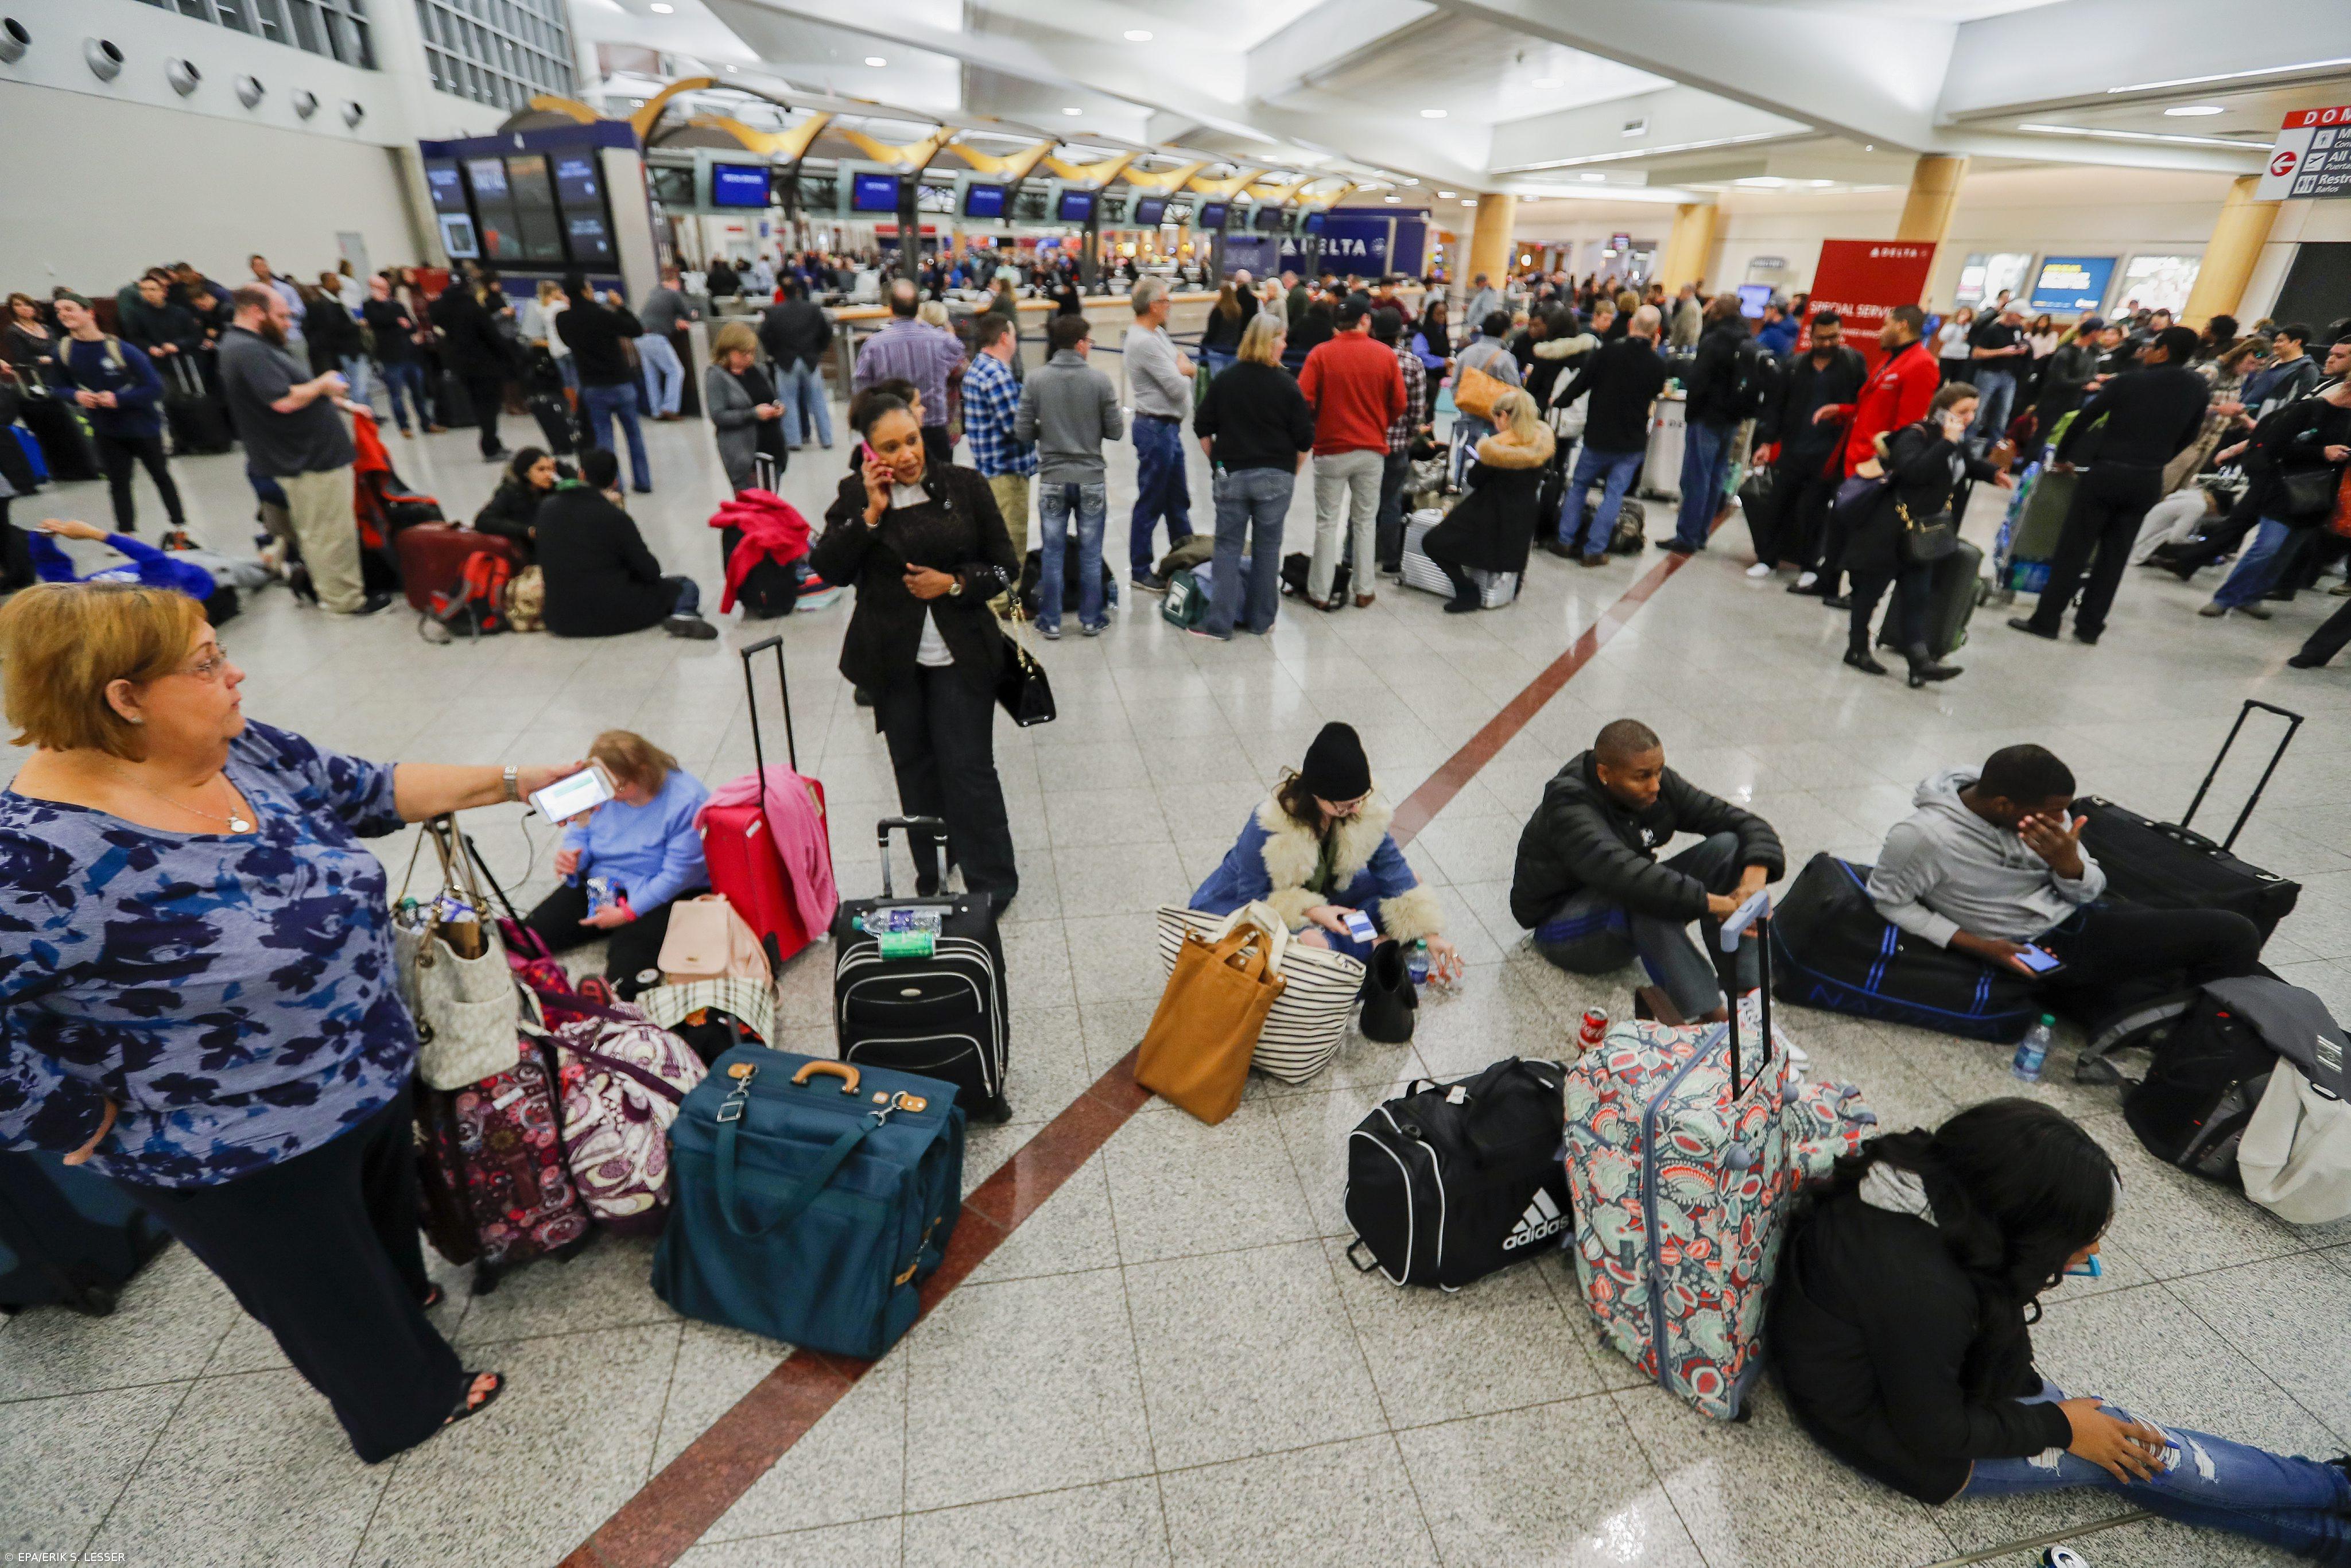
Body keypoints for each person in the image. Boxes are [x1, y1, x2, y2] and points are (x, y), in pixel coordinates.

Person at [0, 583, 592, 1460]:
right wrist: (68, 1117)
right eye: (206, 663)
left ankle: (402, 1295)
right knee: (327, 1297)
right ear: (124, 697)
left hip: (367, 1071)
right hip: (237, 1147)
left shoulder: (233, 745)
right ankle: (410, 1405)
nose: (234, 673)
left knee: (379, 1234)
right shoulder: (34, 862)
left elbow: (370, 789)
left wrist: (511, 783)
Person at [1771, 1098, 2351, 1562]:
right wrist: (2063, 1427)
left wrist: (2066, 1424)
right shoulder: (1921, 1287)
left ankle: (2332, 1524)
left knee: (2124, 1447)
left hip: (1906, 1382)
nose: (2092, 1250)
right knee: (2129, 1448)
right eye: (2082, 1234)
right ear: (2023, 1217)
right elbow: (1935, 1431)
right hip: (1892, 1435)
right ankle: (2336, 1491)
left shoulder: (1933, 1182)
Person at [809, 393, 1019, 907]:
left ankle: (992, 880)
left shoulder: (964, 485)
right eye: (890, 447)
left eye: (912, 440)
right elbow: (830, 568)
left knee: (968, 767)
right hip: (892, 660)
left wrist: (953, 583)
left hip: (961, 654)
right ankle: (934, 870)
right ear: (869, 451)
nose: (906, 455)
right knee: (914, 768)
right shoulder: (854, 495)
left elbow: (1004, 567)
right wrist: (871, 514)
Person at [1871, 743, 2261, 993]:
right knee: (2234, 933)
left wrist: (2069, 866)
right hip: (2041, 942)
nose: (2062, 819)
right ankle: (2198, 1050)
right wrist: (1981, 946)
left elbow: (2090, 889)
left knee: (2214, 942)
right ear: (2004, 805)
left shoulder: (2016, 801)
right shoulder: (1924, 837)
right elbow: (1890, 902)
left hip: (2082, 912)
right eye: (2054, 811)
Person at [1509, 717, 1783, 1023]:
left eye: (1659, 772)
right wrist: (1726, 906)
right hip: (1561, 929)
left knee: (1729, 847)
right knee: (1647, 895)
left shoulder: (1657, 785)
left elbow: (1746, 824)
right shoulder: (1569, 804)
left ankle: (1747, 997)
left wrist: (1752, 887)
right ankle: (1712, 1021)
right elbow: (1628, 877)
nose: (1655, 786)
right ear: (1604, 774)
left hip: (1622, 896)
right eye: (1642, 777)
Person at [1189, 721, 1463, 976]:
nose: (1355, 810)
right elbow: (1256, 900)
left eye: (1360, 800)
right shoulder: (1268, 826)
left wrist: (1430, 934)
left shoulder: (1360, 811)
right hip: (1245, 905)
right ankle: (1370, 945)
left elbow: (1392, 868)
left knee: (1411, 881)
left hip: (1320, 893)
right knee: (1313, 943)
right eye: (1344, 805)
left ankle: (1354, 939)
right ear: (1317, 795)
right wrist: (1312, 911)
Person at [2009, 326, 2209, 646]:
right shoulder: (2198, 387)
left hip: (2107, 473)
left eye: (2152, 347)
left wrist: (2063, 456)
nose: (2146, 352)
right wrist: (2159, 457)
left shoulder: (2129, 381)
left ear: (2164, 351)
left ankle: (2046, 620)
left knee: (2074, 550)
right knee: (2114, 558)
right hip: (2147, 478)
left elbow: (2083, 418)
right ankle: (2090, 627)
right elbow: (2190, 435)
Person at [215, 285, 390, 617]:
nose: (288, 323)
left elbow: (291, 391)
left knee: (319, 530)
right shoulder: (248, 350)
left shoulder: (252, 346)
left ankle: (331, 590)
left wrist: (341, 403)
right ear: (257, 312)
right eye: (282, 316)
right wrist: (324, 384)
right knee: (329, 532)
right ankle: (344, 599)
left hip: (305, 454)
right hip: (305, 458)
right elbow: (282, 400)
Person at [1840, 383, 2009, 686]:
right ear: (1942, 411)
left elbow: (1962, 466)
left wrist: (1990, 473)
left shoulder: (1954, 441)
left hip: (1923, 534)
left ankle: (1919, 662)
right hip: (1891, 530)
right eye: (1963, 411)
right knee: (1870, 593)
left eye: (1973, 411)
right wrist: (1947, 442)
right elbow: (1914, 471)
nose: (1970, 418)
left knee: (1917, 597)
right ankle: (1856, 648)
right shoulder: (1915, 435)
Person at [523, 731, 710, 982]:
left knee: (628, 969)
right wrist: (574, 858)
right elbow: (580, 832)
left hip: (662, 890)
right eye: (604, 786)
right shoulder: (599, 786)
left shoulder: (687, 801)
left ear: (644, 772)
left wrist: (628, 913)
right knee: (528, 936)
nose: (610, 795)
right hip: (605, 880)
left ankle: (614, 990)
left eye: (619, 786)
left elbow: (678, 876)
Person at [1799, 304, 1941, 603]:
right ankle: (1827, 580)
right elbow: (1871, 408)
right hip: (1853, 457)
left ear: (1902, 326)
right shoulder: (1890, 360)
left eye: (1886, 324)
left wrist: (1886, 464)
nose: (1881, 331)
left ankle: (1859, 595)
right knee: (1839, 522)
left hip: (1874, 463)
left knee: (1863, 532)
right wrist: (1841, 410)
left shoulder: (1921, 364)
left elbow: (1909, 427)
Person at [1192, 313, 1314, 641]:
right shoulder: (1287, 385)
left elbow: (1202, 428)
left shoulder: (1226, 380)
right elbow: (1305, 439)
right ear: (1269, 343)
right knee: (1267, 548)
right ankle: (1262, 620)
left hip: (1230, 475)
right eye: (1281, 339)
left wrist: (1218, 466)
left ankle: (1219, 624)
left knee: (1227, 548)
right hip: (1276, 478)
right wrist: (1290, 472)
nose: (1285, 345)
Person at [2197, 372, 2351, 621]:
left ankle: (2252, 597)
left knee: (2284, 556)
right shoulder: (2309, 410)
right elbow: (2274, 447)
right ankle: (2225, 598)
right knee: (2266, 548)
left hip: (2321, 498)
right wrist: (2321, 452)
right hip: (2286, 492)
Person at [1014, 314, 1123, 639]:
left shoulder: (1035, 380)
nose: (1090, 346)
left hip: (1052, 477)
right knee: (1090, 552)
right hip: (1091, 477)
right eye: (1088, 341)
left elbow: (1022, 432)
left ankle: (1050, 620)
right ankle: (1091, 618)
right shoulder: (1100, 381)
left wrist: (1047, 431)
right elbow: (1116, 431)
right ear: (1079, 344)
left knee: (1052, 552)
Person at [46, 294, 188, 537]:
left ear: (89, 312)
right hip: (106, 429)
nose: (63, 315)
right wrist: (75, 395)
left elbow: (155, 387)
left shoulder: (122, 349)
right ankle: (126, 535)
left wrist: (119, 399)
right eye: (59, 311)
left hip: (143, 427)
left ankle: (180, 527)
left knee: (161, 476)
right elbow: (56, 387)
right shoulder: (64, 351)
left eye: (69, 309)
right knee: (118, 483)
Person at [1298, 297, 1406, 610]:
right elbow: (1399, 402)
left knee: (1326, 522)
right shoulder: (1385, 355)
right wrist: (1379, 423)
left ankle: (1320, 593)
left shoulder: (1321, 354)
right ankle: (1364, 590)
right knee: (1365, 520)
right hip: (1371, 449)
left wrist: (1321, 421)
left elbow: (1303, 398)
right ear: (1366, 321)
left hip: (1331, 449)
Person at [536, 449, 711, 639]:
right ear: (615, 482)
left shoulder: (547, 508)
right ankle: (684, 614)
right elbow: (649, 570)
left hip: (561, 619)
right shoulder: (613, 516)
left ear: (582, 475)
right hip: (613, 616)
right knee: (684, 585)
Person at [1550, 304, 1667, 564]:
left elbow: (1581, 383)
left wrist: (1560, 401)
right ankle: (1595, 551)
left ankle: (1565, 541)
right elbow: (1655, 391)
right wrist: (1653, 350)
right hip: (1631, 441)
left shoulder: (1606, 353)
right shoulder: (1657, 365)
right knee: (1613, 495)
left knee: (1579, 486)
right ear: (1656, 332)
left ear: (1631, 324)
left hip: (1598, 435)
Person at [1751, 310, 1864, 575]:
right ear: (1811, 337)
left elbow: (1861, 404)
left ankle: (1809, 566)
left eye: (1833, 337)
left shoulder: (1852, 365)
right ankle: (1767, 559)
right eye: (1822, 338)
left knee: (1815, 511)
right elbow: (1777, 406)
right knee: (1778, 505)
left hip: (1828, 452)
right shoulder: (1795, 366)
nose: (1828, 343)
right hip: (1794, 448)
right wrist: (1767, 443)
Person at [1421, 387, 1551, 614]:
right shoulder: (1540, 442)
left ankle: (1467, 591)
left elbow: (1475, 479)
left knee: (1432, 542)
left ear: (1505, 416)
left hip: (1489, 513)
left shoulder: (1497, 450)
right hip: (1522, 516)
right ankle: (1510, 587)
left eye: (1496, 417)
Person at [1125, 277, 1197, 592]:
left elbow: (1182, 364)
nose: (1170, 306)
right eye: (1166, 301)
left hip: (1168, 429)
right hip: (1155, 429)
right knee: (1152, 500)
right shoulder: (1144, 342)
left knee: (1177, 499)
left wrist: (1183, 366)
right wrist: (1185, 369)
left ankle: (1186, 559)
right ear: (1153, 305)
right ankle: (1140, 569)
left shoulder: (1158, 335)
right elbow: (1178, 386)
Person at [1663, 296, 1752, 553]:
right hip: (1732, 419)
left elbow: (1699, 381)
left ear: (1717, 312)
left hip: (1707, 417)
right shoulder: (1746, 341)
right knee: (1716, 477)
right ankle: (1701, 533)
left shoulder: (1713, 341)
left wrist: (1691, 412)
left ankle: (1687, 536)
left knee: (1696, 478)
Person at [854, 279, 967, 470]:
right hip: (935, 428)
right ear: (918, 307)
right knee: (940, 482)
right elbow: (961, 363)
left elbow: (861, 390)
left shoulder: (873, 346)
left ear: (891, 308)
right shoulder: (942, 341)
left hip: (891, 430)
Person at [960, 313, 1034, 595]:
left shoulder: (978, 367)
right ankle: (1007, 603)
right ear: (1004, 338)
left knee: (996, 540)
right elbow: (1017, 428)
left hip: (988, 469)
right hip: (1007, 473)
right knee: (1012, 541)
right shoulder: (997, 375)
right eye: (1014, 335)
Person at [556, 275, 652, 494]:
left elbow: (567, 342)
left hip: (592, 387)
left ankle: (612, 484)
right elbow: (636, 330)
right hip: (621, 383)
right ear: (584, 291)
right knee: (634, 434)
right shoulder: (604, 315)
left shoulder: (563, 319)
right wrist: (621, 307)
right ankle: (643, 481)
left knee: (604, 439)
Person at [1371, 306, 1430, 572]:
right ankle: (1391, 560)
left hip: (1366, 443)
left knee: (1362, 502)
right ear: (1400, 333)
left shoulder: (1366, 358)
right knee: (1391, 502)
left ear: (1374, 330)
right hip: (1396, 446)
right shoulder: (1413, 364)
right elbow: (1416, 411)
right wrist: (1409, 437)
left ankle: (1351, 556)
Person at [428, 276, 511, 463]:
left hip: (461, 366)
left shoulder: (441, 310)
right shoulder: (473, 308)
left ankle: (492, 443)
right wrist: (507, 356)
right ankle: (491, 447)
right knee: (490, 406)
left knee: (478, 405)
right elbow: (492, 336)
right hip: (484, 365)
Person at [704, 322, 789, 495]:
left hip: (773, 451)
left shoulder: (759, 371)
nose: (749, 358)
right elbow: (718, 416)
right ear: (728, 351)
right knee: (752, 507)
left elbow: (771, 397)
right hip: (745, 458)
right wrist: (753, 414)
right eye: (744, 354)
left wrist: (778, 408)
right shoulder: (717, 377)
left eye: (752, 352)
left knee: (772, 505)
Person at [758, 278, 836, 451]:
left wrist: (774, 353)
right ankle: (826, 439)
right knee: (818, 400)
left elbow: (763, 334)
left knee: (788, 401)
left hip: (786, 361)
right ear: (799, 292)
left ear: (782, 293)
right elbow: (827, 332)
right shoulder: (813, 309)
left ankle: (793, 441)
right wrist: (819, 350)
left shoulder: (774, 312)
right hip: (810, 360)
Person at [1450, 310, 1522, 488]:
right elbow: (1515, 391)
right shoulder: (1505, 358)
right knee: (1490, 461)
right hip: (1494, 421)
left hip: (1467, 417)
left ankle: (1460, 490)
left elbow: (1455, 385)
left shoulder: (1466, 353)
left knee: (1464, 456)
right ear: (1505, 332)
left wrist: (1465, 405)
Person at [362, 275, 432, 437]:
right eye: (380, 288)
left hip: (409, 353)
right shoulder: (369, 306)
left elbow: (411, 326)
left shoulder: (396, 304)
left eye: (386, 287)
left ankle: (427, 422)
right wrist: (396, 320)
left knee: (418, 391)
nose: (385, 291)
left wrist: (400, 323)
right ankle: (404, 426)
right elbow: (378, 321)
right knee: (396, 394)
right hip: (390, 356)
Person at [472, 447, 560, 560]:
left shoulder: (555, 490)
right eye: (541, 470)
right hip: (529, 555)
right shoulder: (510, 492)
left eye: (551, 470)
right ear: (526, 472)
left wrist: (560, 466)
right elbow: (484, 521)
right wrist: (527, 531)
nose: (549, 475)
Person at [635, 267, 699, 421]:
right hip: (656, 337)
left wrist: (674, 322)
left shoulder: (654, 293)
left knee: (652, 376)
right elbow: (689, 315)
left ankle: (656, 411)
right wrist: (690, 317)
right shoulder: (673, 294)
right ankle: (670, 408)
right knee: (676, 371)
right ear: (676, 282)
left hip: (640, 337)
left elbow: (660, 315)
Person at [1965, 302, 2030, 452]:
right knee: (1979, 410)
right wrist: (2002, 352)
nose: (2022, 320)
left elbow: (2020, 342)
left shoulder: (2018, 330)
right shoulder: (1992, 329)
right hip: (1989, 374)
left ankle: (1995, 449)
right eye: (2020, 316)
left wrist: (2023, 348)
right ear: (2011, 314)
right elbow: (1976, 353)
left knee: (2003, 413)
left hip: (2009, 375)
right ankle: (1968, 445)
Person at [304, 271, 371, 409]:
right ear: (327, 283)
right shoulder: (325, 304)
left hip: (348, 349)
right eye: (335, 280)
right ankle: (362, 414)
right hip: (348, 351)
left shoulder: (335, 301)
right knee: (358, 388)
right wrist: (357, 326)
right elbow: (334, 328)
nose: (339, 283)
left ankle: (369, 414)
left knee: (360, 386)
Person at [1198, 282, 1248, 379]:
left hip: (1217, 349)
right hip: (1233, 349)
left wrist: (1204, 345)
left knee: (1217, 378)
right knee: (1231, 378)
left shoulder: (1218, 311)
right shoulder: (1238, 310)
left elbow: (1212, 332)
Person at [1935, 305, 1975, 383]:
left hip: (1962, 357)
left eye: (1967, 314)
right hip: (1948, 355)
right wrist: (1957, 324)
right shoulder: (1950, 324)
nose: (1964, 316)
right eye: (1962, 313)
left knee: (1956, 381)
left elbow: (1973, 340)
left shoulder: (1971, 327)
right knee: (1941, 380)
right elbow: (1942, 338)